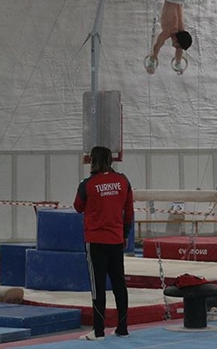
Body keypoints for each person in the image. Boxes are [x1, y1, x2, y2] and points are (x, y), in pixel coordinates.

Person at [73, 146, 133, 341]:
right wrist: (125, 234)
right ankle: (122, 327)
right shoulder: (123, 181)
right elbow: (129, 212)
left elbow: (77, 207)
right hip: (116, 239)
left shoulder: (87, 184)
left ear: (92, 162)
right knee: (119, 284)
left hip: (96, 241)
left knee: (97, 285)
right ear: (111, 160)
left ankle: (98, 331)